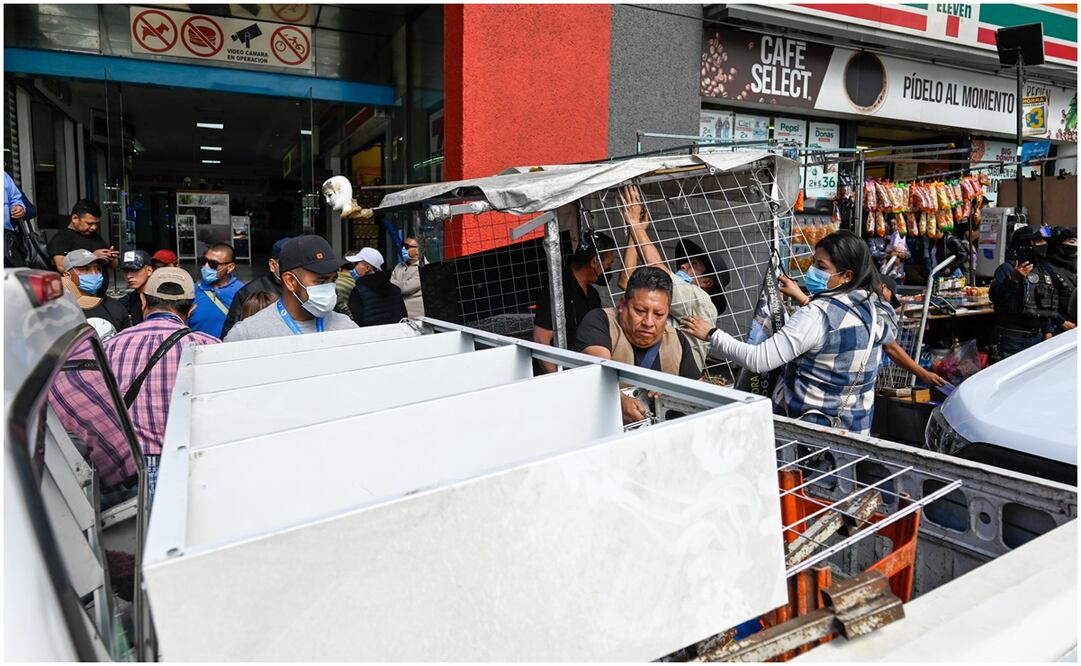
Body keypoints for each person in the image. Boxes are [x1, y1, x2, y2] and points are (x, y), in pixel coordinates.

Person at [681, 230, 897, 435]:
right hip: (856, 428)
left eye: (821, 266)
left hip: (810, 433)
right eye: (813, 262)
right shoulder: (872, 308)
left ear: (847, 276)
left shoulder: (816, 315)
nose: (811, 271)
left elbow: (758, 360)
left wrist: (712, 334)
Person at [103, 267, 220, 505]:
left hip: (127, 472)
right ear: (192, 309)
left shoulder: (111, 346)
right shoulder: (209, 348)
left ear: (144, 299)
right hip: (186, 466)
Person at [576, 266, 702, 423]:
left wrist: (672, 390)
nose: (648, 322)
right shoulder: (600, 323)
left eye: (658, 314)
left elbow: (699, 397)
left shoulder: (677, 341)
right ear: (622, 305)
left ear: (667, 312)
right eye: (640, 311)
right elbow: (598, 375)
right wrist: (619, 401)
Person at [617, 184, 719, 370]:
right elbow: (626, 281)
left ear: (706, 282)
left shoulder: (701, 301)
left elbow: (657, 267)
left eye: (693, 265)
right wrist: (635, 233)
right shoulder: (670, 298)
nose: (683, 265)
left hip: (679, 382)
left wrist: (635, 226)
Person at [223, 235, 357, 341]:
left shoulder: (346, 327)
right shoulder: (248, 334)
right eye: (321, 282)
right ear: (290, 281)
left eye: (333, 280)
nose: (329, 289)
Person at [532, 229, 617, 373]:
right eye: (608, 265)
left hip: (586, 371)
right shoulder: (557, 291)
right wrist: (560, 378)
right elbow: (541, 340)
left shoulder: (593, 295)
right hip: (561, 374)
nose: (608, 270)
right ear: (595, 261)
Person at [989, 225, 1070, 360]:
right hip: (1012, 339)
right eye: (1038, 241)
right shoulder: (1007, 269)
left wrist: (1048, 330)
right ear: (1025, 245)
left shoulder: (1044, 271)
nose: (1043, 244)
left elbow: (1045, 304)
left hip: (1038, 339)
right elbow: (995, 297)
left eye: (1044, 241)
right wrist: (1013, 279)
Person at [877, 275, 946, 388]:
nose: (889, 301)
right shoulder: (877, 309)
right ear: (883, 287)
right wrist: (923, 374)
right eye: (890, 296)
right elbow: (890, 347)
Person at [220, 236, 289, 339]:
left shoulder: (305, 288)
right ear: (273, 265)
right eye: (288, 263)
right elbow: (229, 335)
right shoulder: (249, 292)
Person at [60, 249, 130, 332]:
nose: (94, 273)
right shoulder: (60, 312)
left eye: (98, 269)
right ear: (68, 275)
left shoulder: (116, 308)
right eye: (85, 269)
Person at [188, 242, 245, 338]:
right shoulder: (191, 291)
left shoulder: (242, 292)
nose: (206, 267)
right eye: (204, 261)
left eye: (213, 264)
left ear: (230, 267)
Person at [47, 199, 118, 272]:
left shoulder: (96, 237)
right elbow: (62, 266)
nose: (94, 227)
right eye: (89, 224)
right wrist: (91, 257)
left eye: (96, 224)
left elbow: (114, 266)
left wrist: (111, 258)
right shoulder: (61, 238)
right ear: (75, 218)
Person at [345, 247, 408, 327]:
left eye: (356, 263)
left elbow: (356, 323)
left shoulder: (358, 291)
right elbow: (402, 317)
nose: (354, 268)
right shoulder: (395, 289)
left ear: (367, 268)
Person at [1046, 226, 1078, 326]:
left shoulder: (1075, 265)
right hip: (1061, 327)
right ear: (1057, 245)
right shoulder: (1047, 268)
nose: (1076, 246)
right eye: (1072, 242)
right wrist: (1061, 322)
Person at [391, 236, 425, 318]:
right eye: (402, 245)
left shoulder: (424, 268)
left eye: (407, 247)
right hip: (398, 316)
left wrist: (394, 283)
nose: (403, 249)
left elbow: (405, 289)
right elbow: (390, 287)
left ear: (418, 250)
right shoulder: (399, 266)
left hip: (415, 318)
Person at [119, 250, 154, 326]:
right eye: (126, 271)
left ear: (149, 270)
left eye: (134, 270)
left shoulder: (163, 299)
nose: (129, 276)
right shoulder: (130, 299)